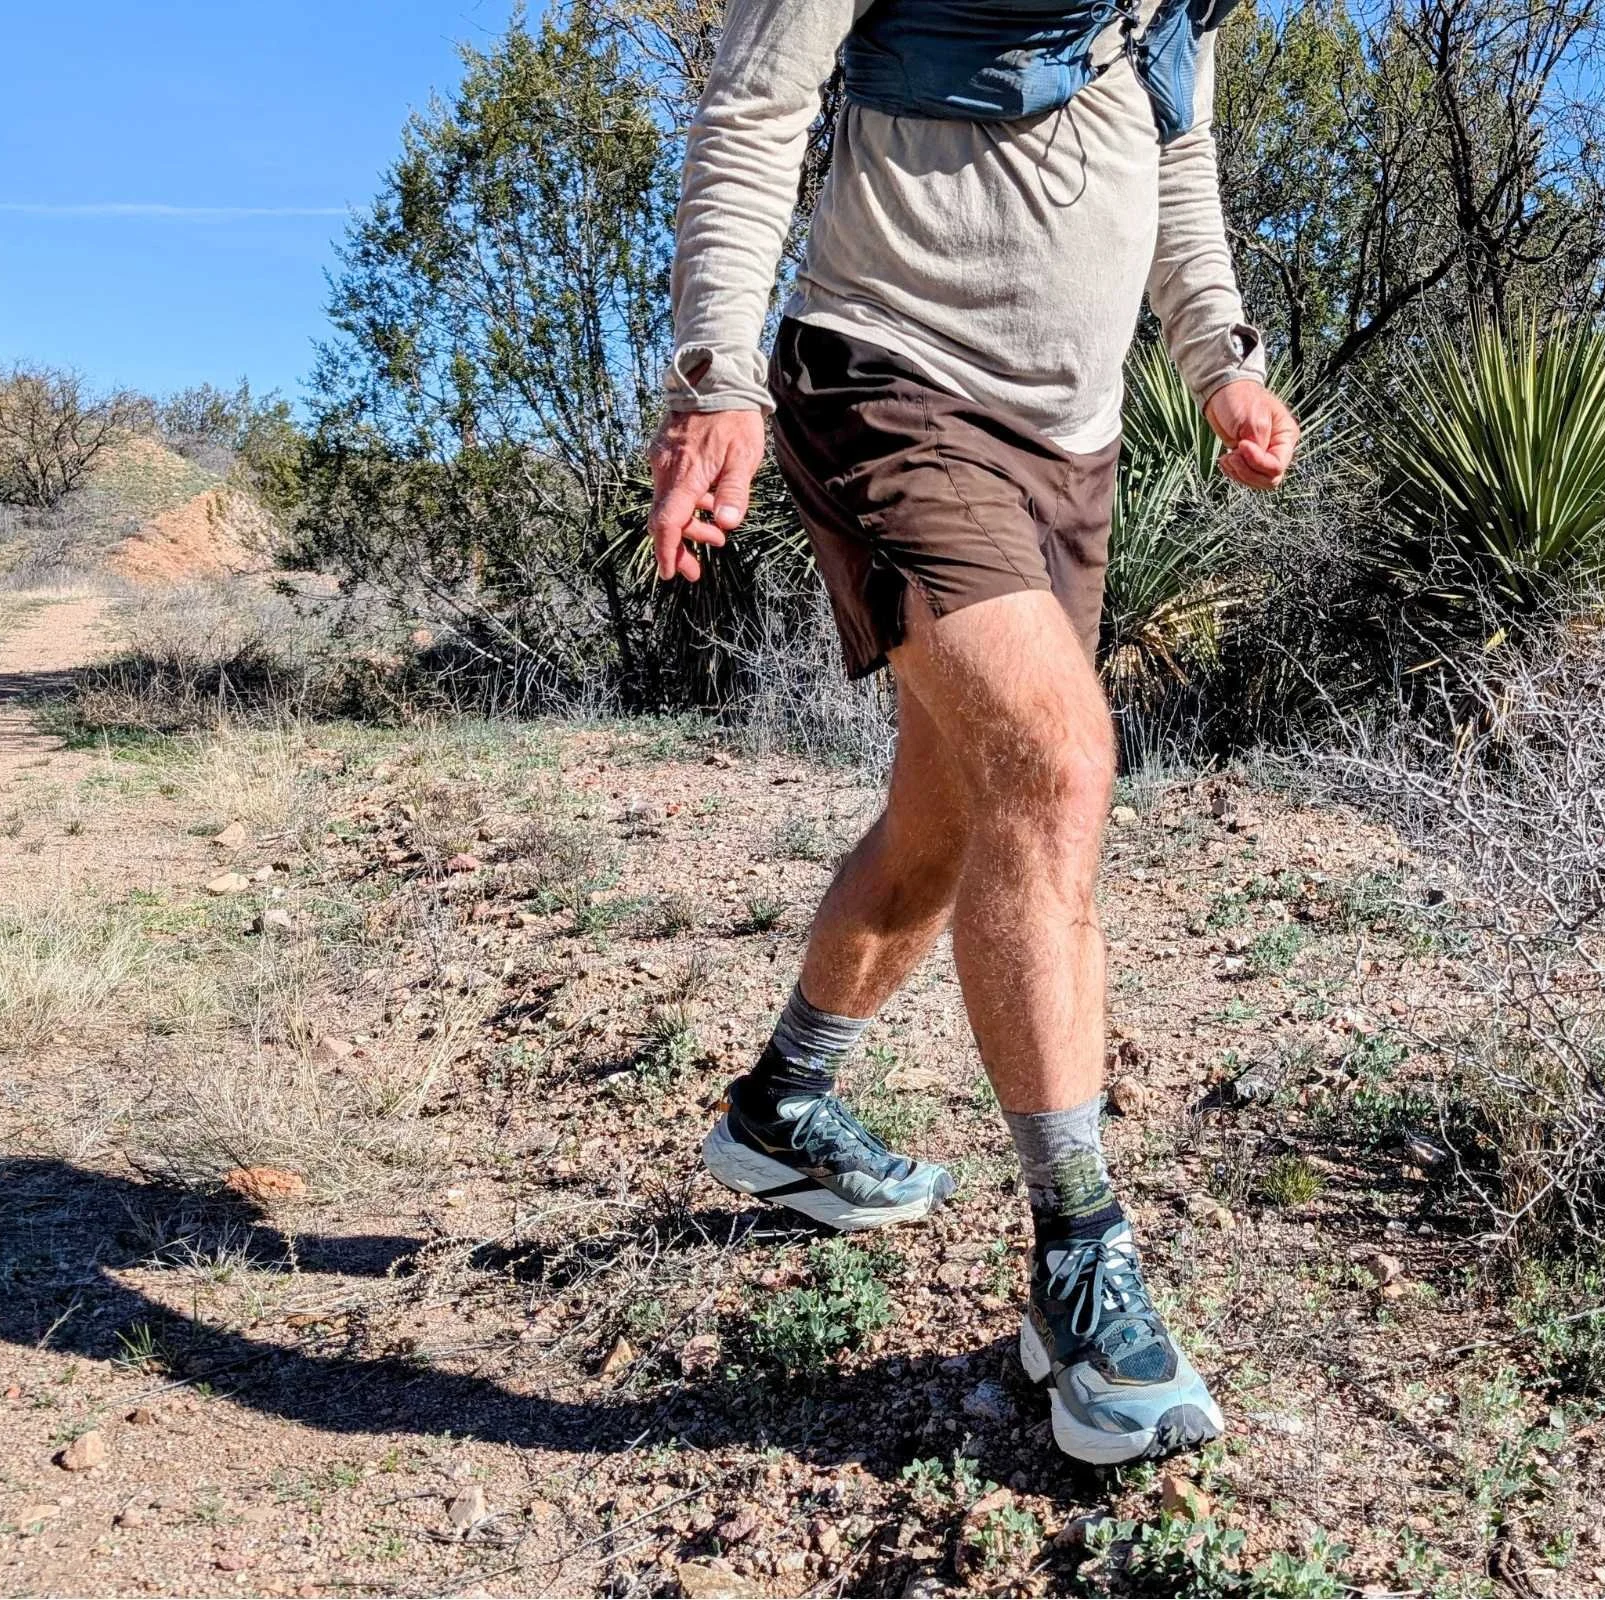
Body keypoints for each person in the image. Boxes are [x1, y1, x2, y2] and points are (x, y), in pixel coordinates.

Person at [644, 0, 1301, 1466]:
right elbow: (755, 106)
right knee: (1057, 763)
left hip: (1071, 445)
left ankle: (781, 1107)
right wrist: (715, 375)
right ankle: (1080, 1266)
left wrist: (1221, 361)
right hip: (887, 378)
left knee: (951, 820)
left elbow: (1178, 163)